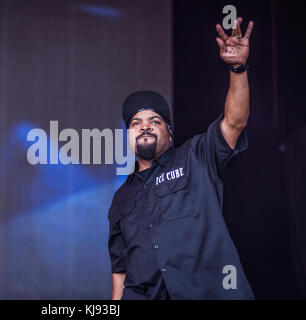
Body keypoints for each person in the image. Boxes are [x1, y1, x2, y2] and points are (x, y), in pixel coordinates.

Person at [108, 17, 255, 299]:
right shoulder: (120, 201)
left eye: (155, 121)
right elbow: (121, 273)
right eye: (136, 123)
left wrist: (238, 69)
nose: (145, 126)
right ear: (128, 137)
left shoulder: (196, 156)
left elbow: (235, 122)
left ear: (170, 134)